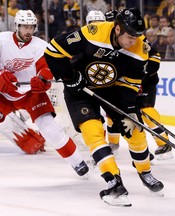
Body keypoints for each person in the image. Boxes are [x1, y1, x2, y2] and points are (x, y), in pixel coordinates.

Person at [44, 8, 164, 207]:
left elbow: (130, 84)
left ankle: (146, 173)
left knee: (135, 129)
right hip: (80, 90)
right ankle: (114, 182)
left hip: (113, 89)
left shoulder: (140, 50)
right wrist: (70, 78)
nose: (135, 40)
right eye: (130, 35)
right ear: (117, 28)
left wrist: (130, 110)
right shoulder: (94, 33)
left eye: (138, 35)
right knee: (93, 131)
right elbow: (54, 50)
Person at [0, 10, 88, 176]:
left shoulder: (40, 45)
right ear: (17, 26)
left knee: (49, 128)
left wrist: (43, 78)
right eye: (25, 26)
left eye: (31, 26)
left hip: (31, 94)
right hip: (3, 95)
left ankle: (78, 162)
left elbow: (47, 67)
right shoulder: (2, 40)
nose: (28, 30)